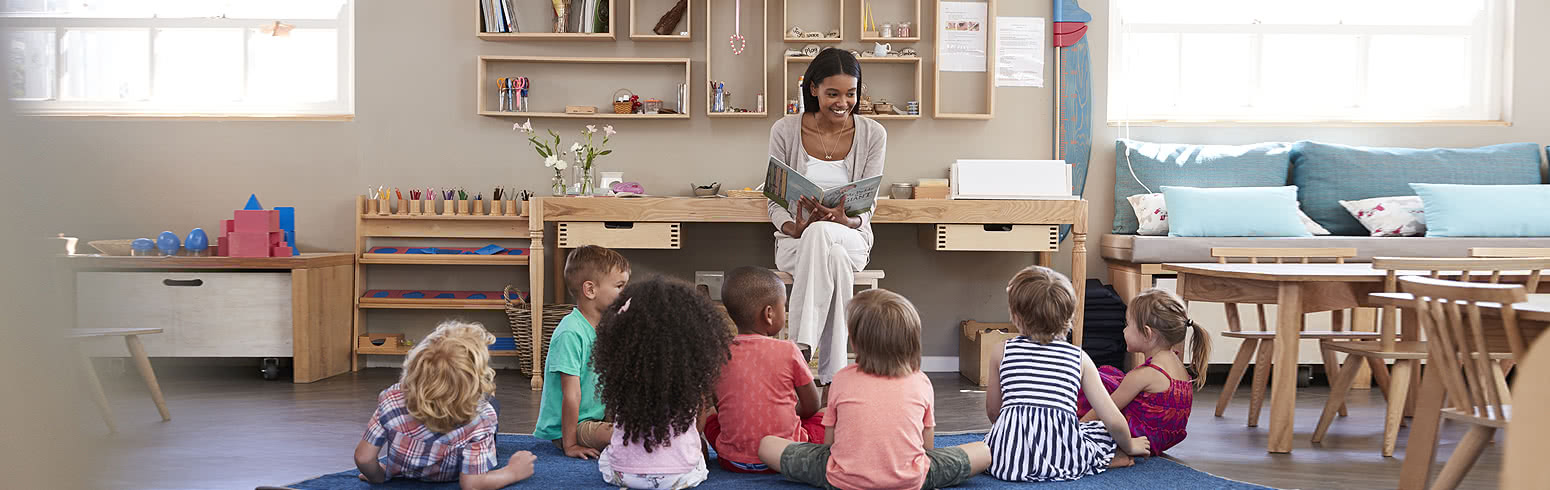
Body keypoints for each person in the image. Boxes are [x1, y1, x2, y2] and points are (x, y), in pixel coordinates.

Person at [757, 289, 992, 489]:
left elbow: (830, 444)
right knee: (983, 451)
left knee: (767, 444)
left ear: (854, 341)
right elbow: (926, 448)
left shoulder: (841, 378)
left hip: (842, 478)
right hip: (910, 479)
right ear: (911, 340)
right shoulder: (921, 381)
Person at [767, 47, 887, 386]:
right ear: (814, 88)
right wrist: (794, 225)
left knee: (826, 237)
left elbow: (869, 203)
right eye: (833, 93)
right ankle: (833, 378)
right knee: (828, 252)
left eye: (851, 93)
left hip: (851, 237)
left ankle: (800, 351)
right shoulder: (785, 130)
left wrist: (845, 220)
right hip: (796, 242)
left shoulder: (873, 134)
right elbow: (774, 200)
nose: (842, 102)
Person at [984, 266, 1151, 482]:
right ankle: (1108, 459)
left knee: (987, 445)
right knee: (1098, 430)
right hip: (1064, 457)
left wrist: (1012, 433)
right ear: (1070, 315)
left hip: (1007, 460)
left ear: (1015, 316)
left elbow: (993, 411)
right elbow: (1113, 420)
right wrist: (1130, 444)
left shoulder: (1001, 350)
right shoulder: (1078, 358)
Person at [353, 321, 536, 489]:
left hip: (405, 473)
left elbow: (364, 458)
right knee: (492, 403)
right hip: (453, 476)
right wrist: (512, 472)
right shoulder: (481, 418)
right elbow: (472, 484)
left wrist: (378, 477)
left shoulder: (391, 400)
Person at [591, 277, 733, 489]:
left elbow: (616, 422)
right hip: (679, 477)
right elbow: (698, 427)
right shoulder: (689, 381)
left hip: (625, 474)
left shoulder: (623, 379)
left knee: (608, 455)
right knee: (696, 446)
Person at [704, 266, 824, 473]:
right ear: (769, 314)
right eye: (783, 307)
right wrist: (786, 412)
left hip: (731, 461)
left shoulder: (718, 353)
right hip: (786, 457)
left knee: (710, 417)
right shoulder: (788, 350)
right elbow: (812, 406)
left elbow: (720, 405)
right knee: (825, 415)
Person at [1076, 288, 1208, 455]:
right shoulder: (1178, 365)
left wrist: (1077, 432)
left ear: (1147, 333)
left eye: (1127, 324)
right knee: (1111, 378)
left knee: (1095, 384)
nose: (1124, 330)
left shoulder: (1145, 375)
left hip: (1140, 438)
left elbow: (1103, 410)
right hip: (1161, 438)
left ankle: (1116, 454)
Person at [533, 245, 631, 459]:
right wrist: (570, 445)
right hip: (572, 427)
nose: (625, 293)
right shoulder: (570, 333)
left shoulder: (606, 328)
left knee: (640, 426)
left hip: (597, 417)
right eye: (619, 286)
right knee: (628, 436)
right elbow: (571, 394)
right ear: (590, 290)